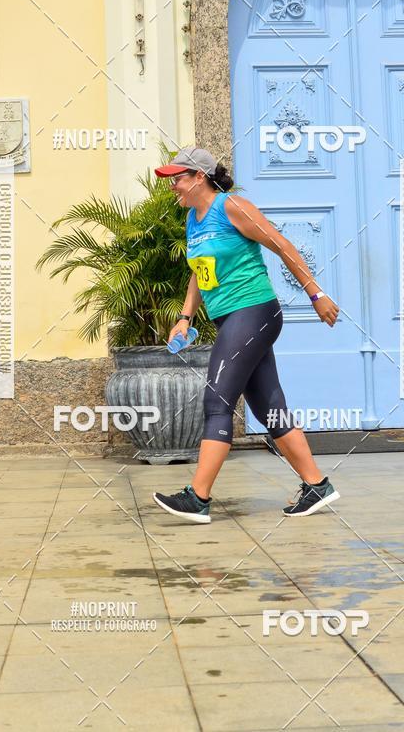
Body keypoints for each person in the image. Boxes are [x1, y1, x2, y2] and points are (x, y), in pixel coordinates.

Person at [152, 146, 341, 524]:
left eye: (178, 178)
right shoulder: (193, 218)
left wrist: (316, 294)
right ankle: (317, 484)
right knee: (269, 408)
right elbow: (198, 269)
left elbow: (281, 245)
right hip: (231, 319)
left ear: (199, 178)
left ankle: (198, 497)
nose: (172, 185)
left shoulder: (231, 207)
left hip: (254, 312)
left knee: (217, 400)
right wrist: (185, 317)